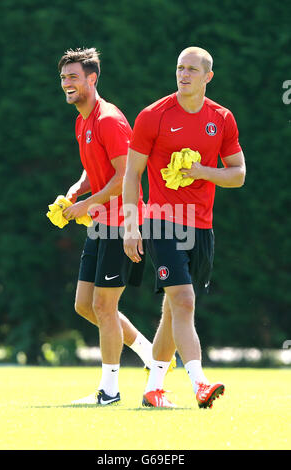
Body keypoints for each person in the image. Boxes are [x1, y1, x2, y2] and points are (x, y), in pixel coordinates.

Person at [123, 46, 246, 408]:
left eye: (192, 69)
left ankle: (153, 388)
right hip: (161, 222)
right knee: (184, 300)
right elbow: (132, 174)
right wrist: (132, 225)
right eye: (180, 68)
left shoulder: (222, 119)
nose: (184, 74)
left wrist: (203, 172)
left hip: (202, 226)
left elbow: (238, 174)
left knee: (173, 310)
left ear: (208, 76)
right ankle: (200, 384)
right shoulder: (153, 115)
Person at [57, 47, 153, 405]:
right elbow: (95, 166)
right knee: (85, 304)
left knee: (103, 305)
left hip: (122, 221)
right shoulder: (82, 119)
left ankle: (109, 392)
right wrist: (79, 188)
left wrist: (85, 203)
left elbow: (126, 174)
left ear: (92, 79)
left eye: (74, 77)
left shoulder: (108, 119)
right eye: (64, 77)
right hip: (100, 222)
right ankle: (147, 351)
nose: (67, 83)